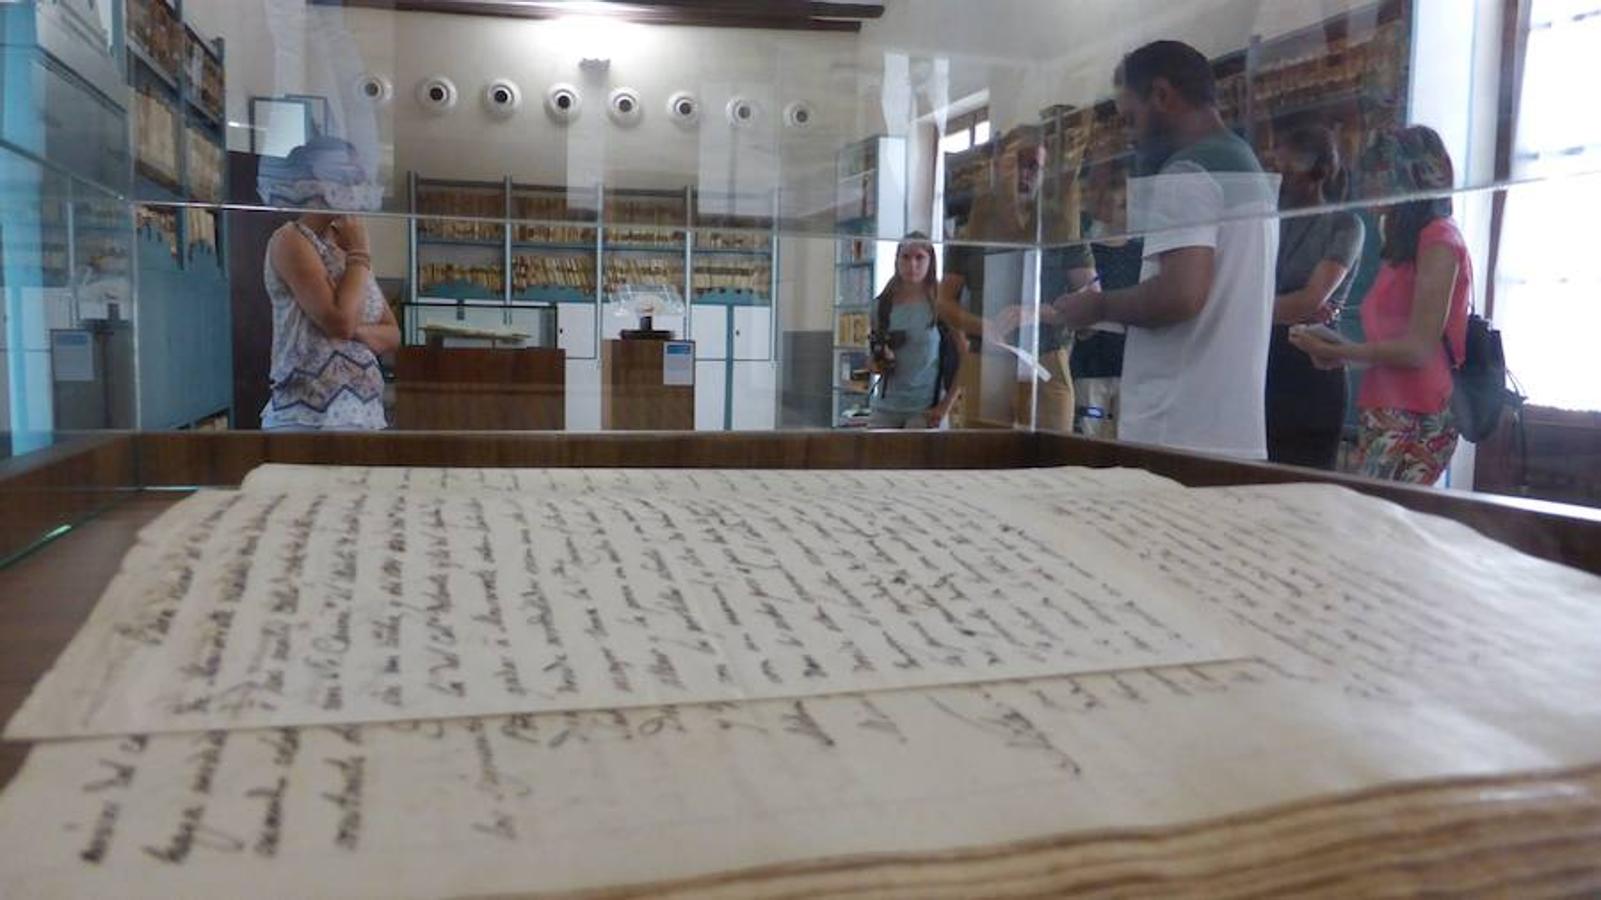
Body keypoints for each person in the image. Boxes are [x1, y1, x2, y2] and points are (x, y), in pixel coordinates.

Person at [1056, 40, 1280, 459]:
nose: (1131, 135)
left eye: (1131, 118)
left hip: (1177, 423)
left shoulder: (1187, 171)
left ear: (1162, 95)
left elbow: (1181, 294)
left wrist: (1097, 308)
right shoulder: (1244, 163)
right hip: (1228, 425)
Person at [1289, 125, 1471, 485]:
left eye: (1383, 176)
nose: (1373, 188)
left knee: (1379, 524)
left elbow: (1418, 349)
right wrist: (1338, 349)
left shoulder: (1438, 240)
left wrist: (1347, 351)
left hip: (1417, 412)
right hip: (1389, 408)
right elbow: (1395, 339)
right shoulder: (1407, 241)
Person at [940, 125, 1098, 431]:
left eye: (1033, 166)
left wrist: (1033, 314)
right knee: (980, 462)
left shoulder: (1061, 228)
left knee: (1047, 465)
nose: (1025, 175)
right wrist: (983, 326)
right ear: (999, 168)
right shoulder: (974, 232)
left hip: (1045, 359)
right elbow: (944, 301)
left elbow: (1091, 300)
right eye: (1017, 165)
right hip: (987, 359)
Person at [256, 137, 398, 431]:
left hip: (364, 416)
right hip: (309, 419)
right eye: (347, 175)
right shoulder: (291, 240)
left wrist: (355, 332)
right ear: (316, 179)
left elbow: (393, 334)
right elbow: (339, 323)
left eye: (358, 176)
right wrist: (359, 253)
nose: (356, 184)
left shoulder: (344, 244)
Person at [1265, 125, 1365, 469]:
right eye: (1276, 168)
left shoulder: (1345, 225)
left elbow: (1308, 301)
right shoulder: (1268, 220)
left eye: (1287, 170)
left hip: (1311, 362)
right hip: (1263, 360)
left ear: (1316, 171)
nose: (1279, 178)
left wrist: (1246, 308)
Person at [868, 233, 964, 429]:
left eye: (919, 257)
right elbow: (873, 360)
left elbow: (966, 355)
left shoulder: (942, 303)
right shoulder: (881, 305)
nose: (912, 265)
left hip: (926, 409)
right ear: (897, 260)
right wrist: (879, 360)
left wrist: (945, 407)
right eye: (905, 257)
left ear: (931, 260)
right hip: (885, 407)